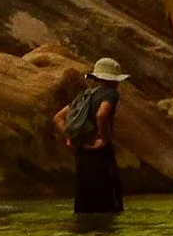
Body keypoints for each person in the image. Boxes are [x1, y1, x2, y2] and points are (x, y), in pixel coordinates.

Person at [56, 56, 130, 223]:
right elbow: (102, 113)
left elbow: (58, 117)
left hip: (82, 150)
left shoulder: (84, 96)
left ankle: (85, 227)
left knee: (85, 197)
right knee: (109, 197)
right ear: (112, 80)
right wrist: (103, 138)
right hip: (100, 152)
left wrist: (69, 136)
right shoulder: (110, 94)